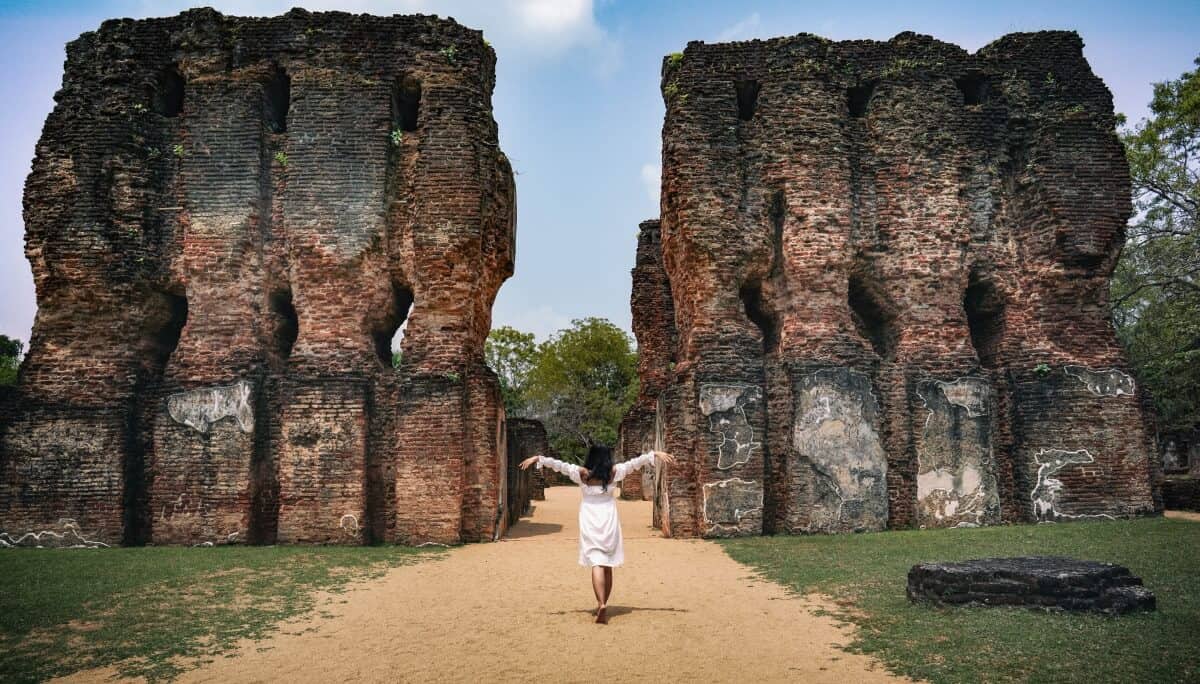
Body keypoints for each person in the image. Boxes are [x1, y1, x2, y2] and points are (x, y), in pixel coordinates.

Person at [519, 444, 676, 624]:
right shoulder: (615, 472)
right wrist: (654, 453)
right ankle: (604, 602)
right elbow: (635, 463)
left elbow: (559, 465)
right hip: (608, 516)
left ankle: (601, 603)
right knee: (608, 562)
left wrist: (538, 458)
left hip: (589, 518)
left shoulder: (582, 473)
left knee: (596, 561)